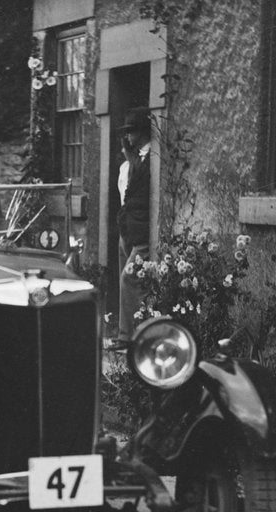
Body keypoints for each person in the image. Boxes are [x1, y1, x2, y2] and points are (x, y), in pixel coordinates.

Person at [116, 107, 152, 342]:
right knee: (128, 280)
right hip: (128, 230)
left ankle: (128, 337)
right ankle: (130, 332)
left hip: (142, 232)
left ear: (142, 132)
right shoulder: (132, 160)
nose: (128, 137)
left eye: (132, 132)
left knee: (129, 279)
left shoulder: (150, 159)